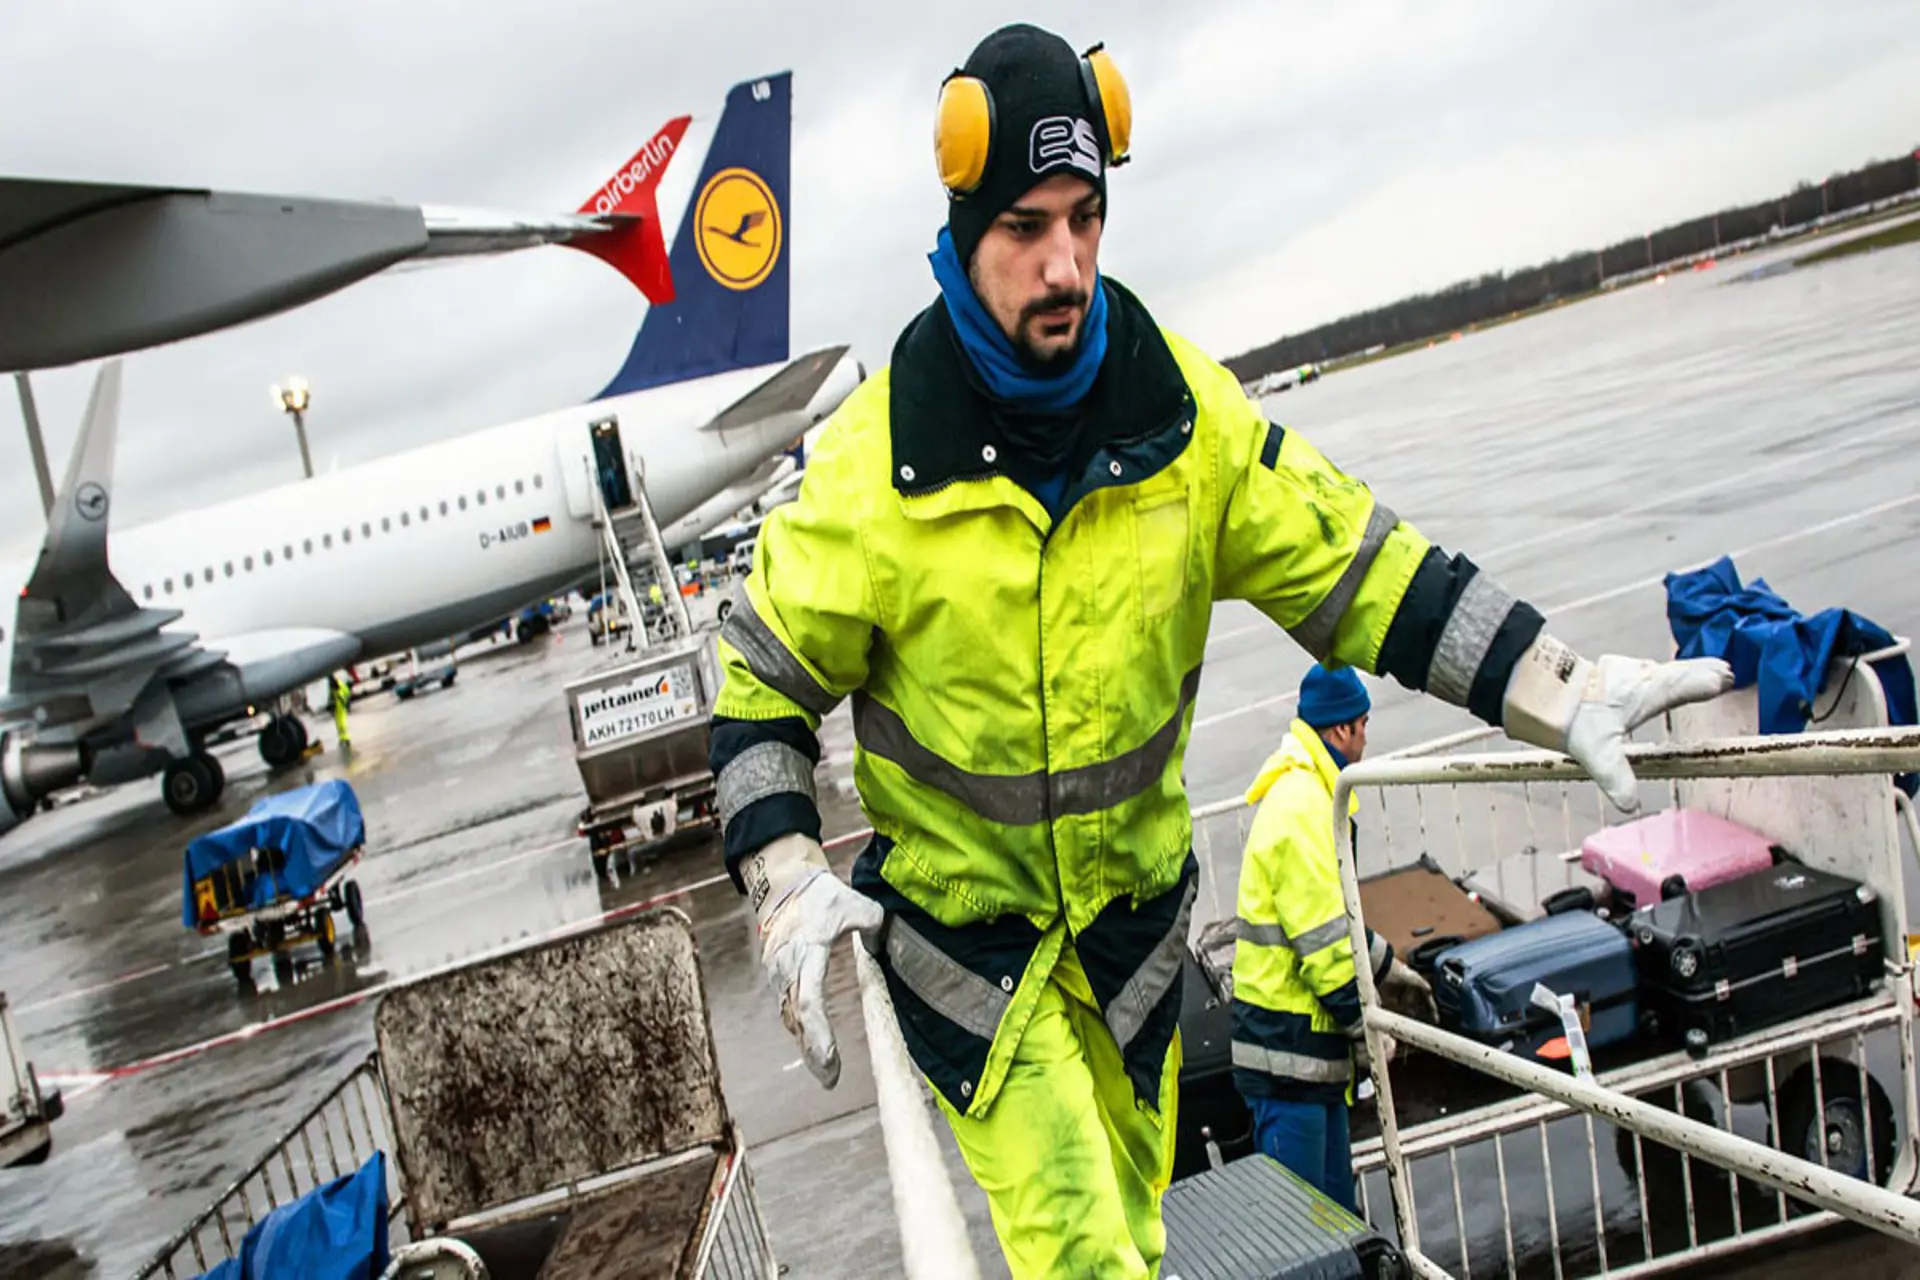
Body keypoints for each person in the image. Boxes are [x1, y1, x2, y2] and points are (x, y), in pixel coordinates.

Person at [706, 22, 1732, 1278]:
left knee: (1137, 1231)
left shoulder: (1181, 421)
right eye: (1027, 226)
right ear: (965, 229)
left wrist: (1550, 680)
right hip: (980, 960)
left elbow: (1362, 570)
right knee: (1084, 1247)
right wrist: (781, 868)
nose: (1065, 262)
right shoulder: (875, 473)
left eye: (1084, 218)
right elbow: (757, 682)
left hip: (1136, 949)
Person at [1230, 664, 1431, 1213]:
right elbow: (1323, 950)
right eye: (1363, 724)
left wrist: (1389, 967)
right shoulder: (1303, 806)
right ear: (1340, 731)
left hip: (1305, 1059)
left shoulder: (1314, 794)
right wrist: (1370, 1031)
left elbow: (1332, 921)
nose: (1368, 737)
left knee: (1337, 1224)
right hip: (1287, 1059)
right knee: (1306, 1232)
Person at [329, 673, 351, 751]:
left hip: (338, 703)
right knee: (341, 720)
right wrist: (346, 701)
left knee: (339, 721)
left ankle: (344, 738)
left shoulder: (331, 686)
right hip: (341, 703)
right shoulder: (340, 683)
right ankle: (343, 737)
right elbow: (347, 692)